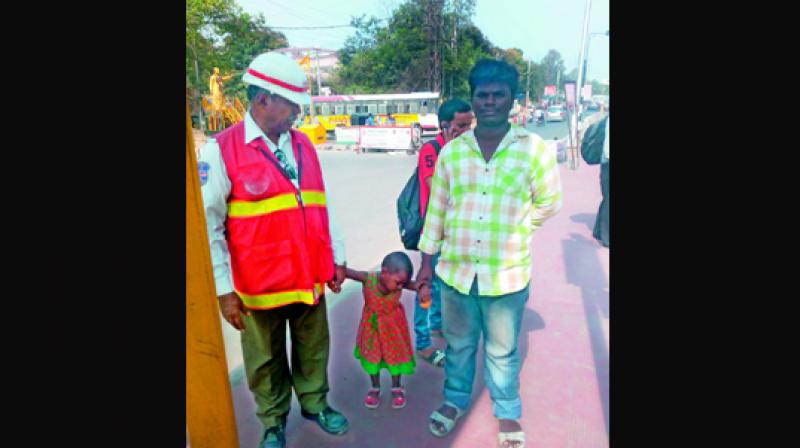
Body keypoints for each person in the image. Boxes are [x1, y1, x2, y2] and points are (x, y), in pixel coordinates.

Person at [198, 51, 349, 448]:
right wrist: (223, 290)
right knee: (265, 361)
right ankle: (273, 421)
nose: (297, 113)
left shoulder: (303, 146)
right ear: (263, 99)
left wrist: (337, 259)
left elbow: (321, 205)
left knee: (313, 350)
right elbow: (208, 226)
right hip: (257, 286)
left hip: (308, 278)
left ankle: (316, 405)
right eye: (291, 104)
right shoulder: (221, 150)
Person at [416, 59, 562, 448]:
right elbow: (438, 211)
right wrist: (426, 264)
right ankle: (454, 401)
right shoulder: (453, 153)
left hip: (506, 275)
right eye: (484, 95)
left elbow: (549, 202)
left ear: (512, 100)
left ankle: (507, 410)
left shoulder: (533, 150)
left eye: (499, 95)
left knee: (502, 349)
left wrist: (518, 229)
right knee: (459, 345)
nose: (491, 102)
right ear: (474, 100)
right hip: (456, 274)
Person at [414, 98, 474, 369]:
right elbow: (437, 186)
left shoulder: (467, 148)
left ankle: (436, 325)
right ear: (445, 126)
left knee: (442, 283)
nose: (466, 130)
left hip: (457, 230)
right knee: (426, 285)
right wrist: (452, 150)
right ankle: (423, 343)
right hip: (435, 229)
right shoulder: (432, 149)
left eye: (469, 124)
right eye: (461, 125)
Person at [346, 252, 432, 410]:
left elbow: (414, 285)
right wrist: (334, 271)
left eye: (402, 284)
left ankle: (396, 387)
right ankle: (375, 387)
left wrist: (422, 288)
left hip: (393, 327)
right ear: (384, 272)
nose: (400, 287)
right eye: (398, 283)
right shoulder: (367, 279)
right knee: (373, 356)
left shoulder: (400, 282)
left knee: (396, 356)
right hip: (372, 328)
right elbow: (348, 272)